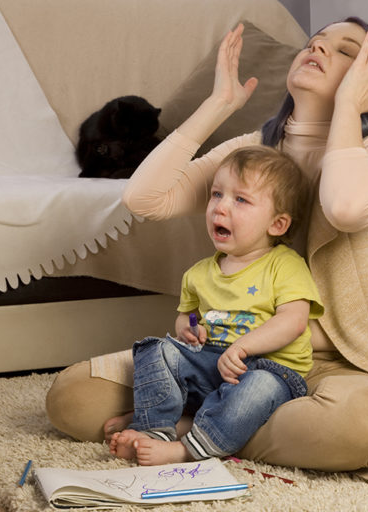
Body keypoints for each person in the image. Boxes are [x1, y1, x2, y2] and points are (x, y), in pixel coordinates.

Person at [46, 17, 368, 481]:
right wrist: (218, 105)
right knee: (70, 398)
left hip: (326, 368)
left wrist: (348, 107)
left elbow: (346, 207)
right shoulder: (256, 149)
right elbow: (145, 199)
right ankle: (216, 426)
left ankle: (193, 430)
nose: (320, 49)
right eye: (314, 42)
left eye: (347, 51)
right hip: (223, 357)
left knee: (364, 423)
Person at [109, 146, 323, 465]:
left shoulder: (284, 265)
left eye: (240, 199)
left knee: (259, 387)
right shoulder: (199, 273)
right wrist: (190, 329)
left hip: (269, 369)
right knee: (154, 349)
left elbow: (293, 321)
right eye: (216, 195)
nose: (220, 208)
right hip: (210, 362)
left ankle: (188, 449)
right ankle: (154, 430)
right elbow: (189, 314)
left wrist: (243, 348)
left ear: (277, 225)